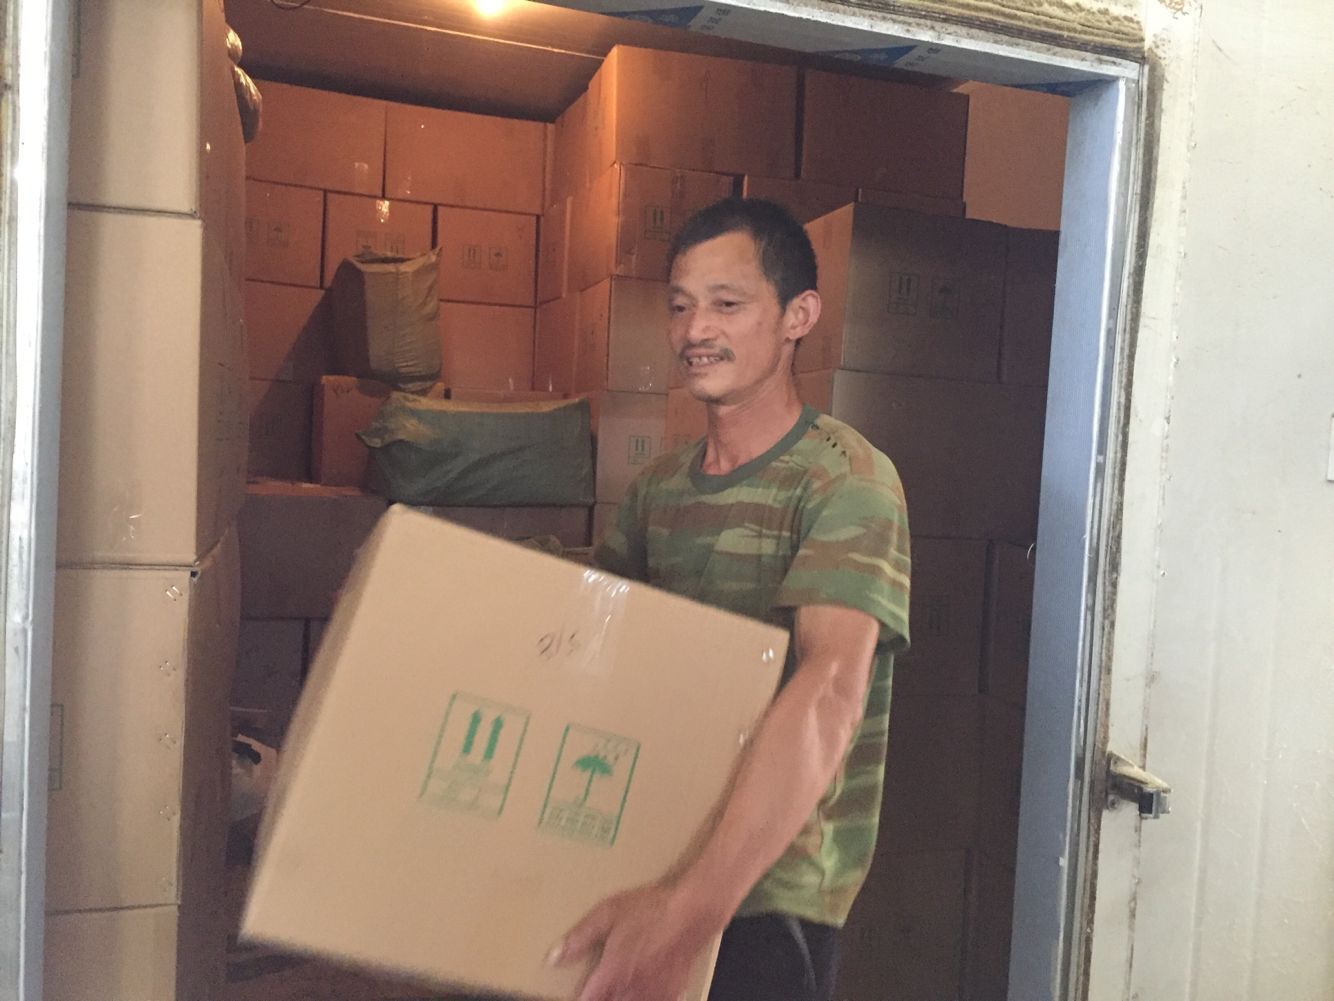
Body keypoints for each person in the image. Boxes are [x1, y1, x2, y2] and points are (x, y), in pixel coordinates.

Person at [550, 197, 911, 1001]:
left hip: (765, 897)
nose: (695, 330)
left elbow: (830, 690)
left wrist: (689, 915)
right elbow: (592, 646)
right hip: (650, 855)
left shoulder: (847, 480)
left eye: (727, 304)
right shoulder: (657, 490)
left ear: (797, 316)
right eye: (680, 306)